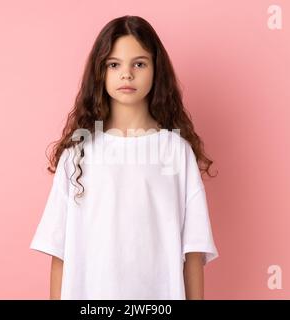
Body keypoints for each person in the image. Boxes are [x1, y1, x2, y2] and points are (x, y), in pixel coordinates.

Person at [30, 15, 219, 300]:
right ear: (100, 72)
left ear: (157, 70)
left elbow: (192, 252)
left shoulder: (176, 152)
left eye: (139, 64)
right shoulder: (78, 153)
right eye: (114, 64)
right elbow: (60, 253)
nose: (126, 74)